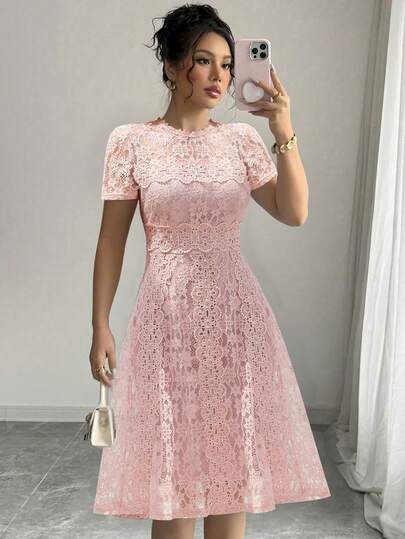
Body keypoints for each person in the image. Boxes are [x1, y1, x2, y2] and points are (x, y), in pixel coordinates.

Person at [89, 4, 331, 539]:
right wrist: (99, 324)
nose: (219, 75)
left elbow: (294, 212)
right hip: (166, 321)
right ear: (172, 66)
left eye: (226, 63)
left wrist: (283, 129)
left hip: (235, 320)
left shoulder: (241, 141)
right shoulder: (131, 142)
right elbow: (111, 239)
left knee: (230, 471)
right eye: (204, 60)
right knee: (173, 475)